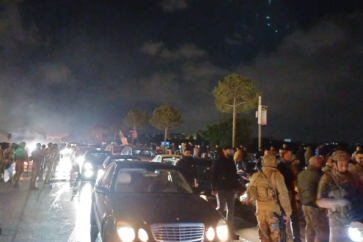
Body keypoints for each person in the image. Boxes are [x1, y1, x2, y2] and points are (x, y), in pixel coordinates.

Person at [316, 151, 361, 242]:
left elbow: (359, 194)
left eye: (346, 165)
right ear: (334, 164)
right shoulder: (327, 178)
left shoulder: (353, 176)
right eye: (341, 165)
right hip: (336, 219)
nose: (344, 168)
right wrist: (336, 202)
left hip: (352, 217)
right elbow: (319, 201)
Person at [246, 155, 292, 242]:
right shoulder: (277, 176)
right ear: (274, 163)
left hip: (260, 212)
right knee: (276, 238)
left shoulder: (255, 176)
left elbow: (250, 191)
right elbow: (283, 195)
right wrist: (288, 212)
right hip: (273, 213)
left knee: (264, 238)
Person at [211, 146, 241, 240]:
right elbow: (213, 175)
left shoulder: (230, 161)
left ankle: (229, 231)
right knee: (220, 207)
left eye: (231, 150)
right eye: (229, 150)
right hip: (221, 188)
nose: (231, 152)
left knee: (231, 210)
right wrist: (214, 188)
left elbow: (234, 175)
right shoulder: (218, 161)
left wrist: (236, 187)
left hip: (230, 188)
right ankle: (212, 224)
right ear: (224, 151)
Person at [297, 157, 329, 242]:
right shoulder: (317, 175)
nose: (321, 165)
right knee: (320, 229)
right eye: (320, 163)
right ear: (315, 164)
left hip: (305, 204)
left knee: (310, 227)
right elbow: (322, 190)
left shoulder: (301, 174)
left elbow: (299, 190)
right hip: (315, 205)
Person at [277, 151, 301, 242]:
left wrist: (294, 193)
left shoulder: (290, 166)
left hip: (290, 193)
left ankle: (296, 239)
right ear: (283, 156)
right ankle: (283, 239)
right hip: (284, 195)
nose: (291, 157)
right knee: (285, 217)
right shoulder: (280, 167)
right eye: (289, 155)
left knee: (294, 217)